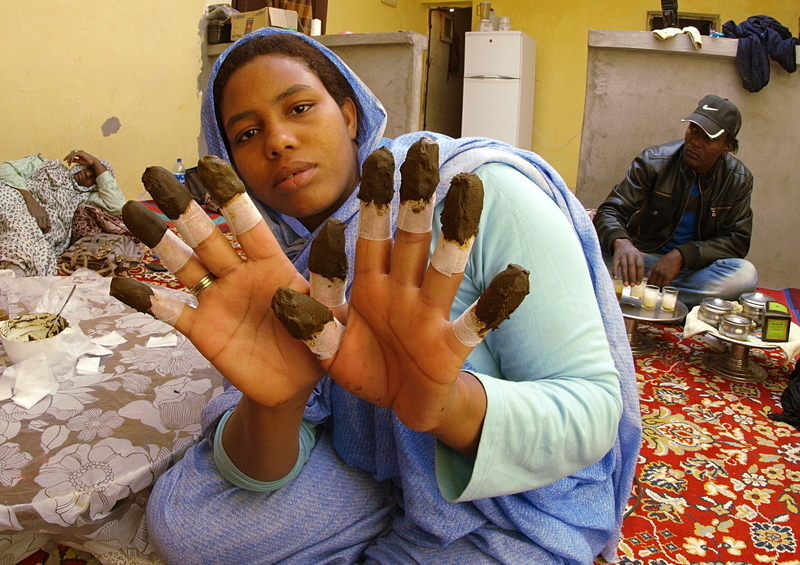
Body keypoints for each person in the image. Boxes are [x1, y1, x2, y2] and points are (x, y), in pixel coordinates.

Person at [138, 28, 640, 565]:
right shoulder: (275, 261)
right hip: (375, 466)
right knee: (186, 525)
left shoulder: (474, 193)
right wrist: (277, 403)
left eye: (300, 108)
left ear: (349, 116)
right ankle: (393, 494)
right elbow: (263, 459)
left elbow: (590, 412)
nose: (277, 141)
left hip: (512, 496)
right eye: (246, 133)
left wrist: (446, 405)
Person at [593, 94, 758, 307]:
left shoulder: (738, 179)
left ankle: (641, 293)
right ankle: (668, 298)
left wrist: (683, 255)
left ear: (727, 146)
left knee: (745, 276)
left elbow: (737, 240)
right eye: (693, 130)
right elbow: (610, 211)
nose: (695, 142)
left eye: (708, 138)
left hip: (695, 270)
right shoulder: (653, 162)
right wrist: (622, 242)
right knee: (590, 257)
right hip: (645, 261)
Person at [0, 150, 126, 277]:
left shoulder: (86, 197)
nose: (87, 174)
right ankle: (13, 273)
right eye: (88, 168)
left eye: (94, 177)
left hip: (38, 231)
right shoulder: (44, 165)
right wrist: (32, 202)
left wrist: (95, 162)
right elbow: (5, 169)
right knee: (8, 194)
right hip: (16, 208)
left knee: (24, 229)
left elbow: (117, 206)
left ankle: (13, 272)